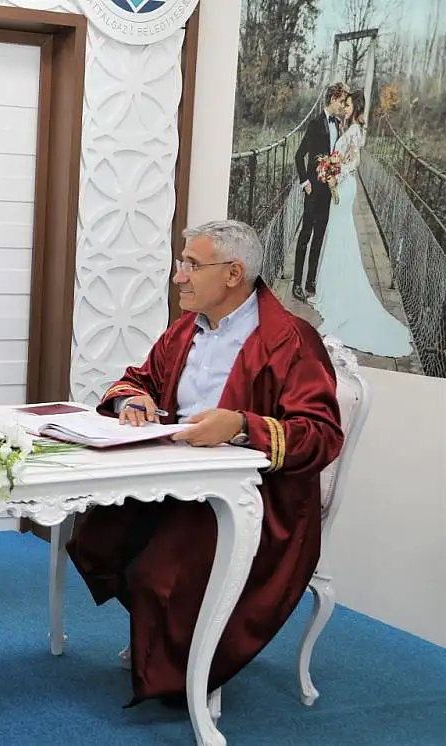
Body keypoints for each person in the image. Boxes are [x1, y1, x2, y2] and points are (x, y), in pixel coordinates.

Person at [66, 219, 345, 707]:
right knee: (98, 533)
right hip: (178, 479)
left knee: (161, 574)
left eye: (192, 265)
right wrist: (133, 400)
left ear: (233, 273)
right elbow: (138, 379)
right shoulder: (184, 331)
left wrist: (241, 426)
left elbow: (322, 434)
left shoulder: (291, 340)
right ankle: (169, 641)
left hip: (254, 498)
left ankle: (191, 672)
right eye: (182, 263)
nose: (178, 276)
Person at [311, 89, 414, 357]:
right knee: (337, 235)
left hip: (344, 187)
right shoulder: (349, 129)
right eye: (343, 104)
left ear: (355, 107)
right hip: (341, 185)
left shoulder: (355, 130)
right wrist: (332, 171)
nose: (344, 108)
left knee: (340, 235)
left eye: (347, 105)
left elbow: (355, 161)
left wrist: (337, 174)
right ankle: (331, 291)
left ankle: (339, 295)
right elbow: (342, 157)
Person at [293, 81, 349, 302]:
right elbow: (299, 155)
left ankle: (311, 281)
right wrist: (304, 182)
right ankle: (296, 283)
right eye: (341, 102)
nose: (343, 106)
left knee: (319, 237)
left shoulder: (339, 124)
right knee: (305, 236)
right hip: (312, 190)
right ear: (333, 99)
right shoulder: (316, 123)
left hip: (328, 190)